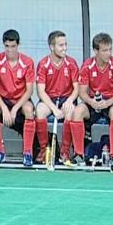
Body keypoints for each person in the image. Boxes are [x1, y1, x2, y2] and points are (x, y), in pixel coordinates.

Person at [70, 33, 113, 166]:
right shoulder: (87, 66)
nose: (108, 53)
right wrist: (92, 102)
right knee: (77, 112)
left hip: (111, 101)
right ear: (95, 51)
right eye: (105, 50)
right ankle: (79, 154)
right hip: (93, 101)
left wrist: (107, 103)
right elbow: (82, 93)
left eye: (110, 49)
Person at [0, 29, 36, 167]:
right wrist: (4, 108)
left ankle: (28, 153)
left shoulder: (27, 62)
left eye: (13, 46)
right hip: (2, 98)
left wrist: (14, 109)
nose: (10, 50)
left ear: (18, 45)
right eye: (7, 46)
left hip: (20, 99)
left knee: (28, 109)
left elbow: (29, 91)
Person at [35, 30, 79, 165]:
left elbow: (76, 88)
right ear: (51, 47)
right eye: (61, 45)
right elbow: (41, 91)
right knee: (40, 111)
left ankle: (64, 152)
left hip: (67, 97)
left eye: (65, 44)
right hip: (50, 99)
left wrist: (70, 100)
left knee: (71, 112)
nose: (64, 48)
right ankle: (44, 150)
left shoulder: (71, 63)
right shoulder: (43, 64)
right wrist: (54, 109)